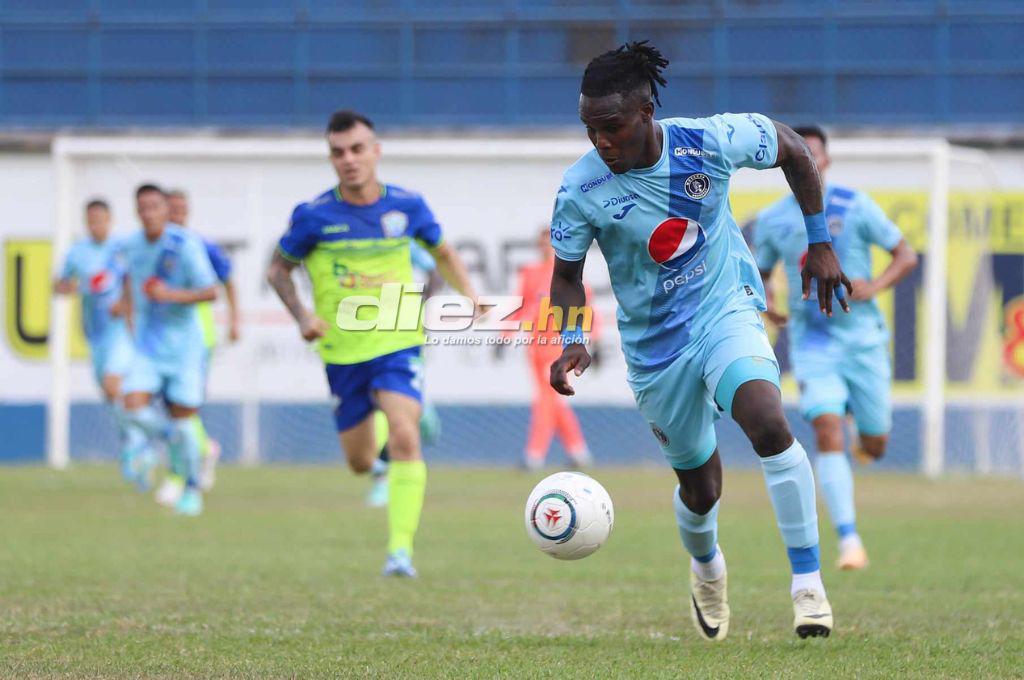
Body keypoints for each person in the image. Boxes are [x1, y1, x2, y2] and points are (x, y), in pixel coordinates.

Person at [548, 42, 852, 640]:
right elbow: (566, 274)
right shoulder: (580, 188)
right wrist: (573, 336)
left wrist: (819, 241)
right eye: (589, 129)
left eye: (611, 127)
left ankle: (808, 583)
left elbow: (791, 147)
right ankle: (707, 566)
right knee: (701, 486)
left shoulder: (708, 142)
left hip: (724, 309)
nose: (600, 142)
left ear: (645, 111)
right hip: (655, 349)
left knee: (768, 421)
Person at [266, 109, 477, 577]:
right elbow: (277, 269)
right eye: (338, 152)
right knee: (361, 462)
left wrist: (472, 296)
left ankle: (399, 551)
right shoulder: (314, 216)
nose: (349, 159)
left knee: (404, 434)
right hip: (343, 353)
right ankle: (398, 421)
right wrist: (303, 316)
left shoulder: (407, 207)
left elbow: (442, 252)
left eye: (358, 149)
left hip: (398, 340)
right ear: (331, 158)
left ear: (375, 151)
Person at [752, 125, 918, 570]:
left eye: (815, 155)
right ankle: (850, 541)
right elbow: (761, 271)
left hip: (863, 341)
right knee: (827, 429)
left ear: (825, 161)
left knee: (875, 442)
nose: (807, 161)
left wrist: (875, 285)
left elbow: (906, 254)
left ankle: (865, 440)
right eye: (798, 154)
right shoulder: (772, 220)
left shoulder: (855, 205)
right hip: (813, 342)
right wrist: (768, 302)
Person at [117, 184, 218, 516]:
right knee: (131, 405)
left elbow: (209, 292)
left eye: (154, 207)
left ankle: (191, 489)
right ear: (137, 211)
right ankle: (164, 438)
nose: (148, 213)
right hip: (148, 345)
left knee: (185, 418)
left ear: (165, 210)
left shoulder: (184, 245)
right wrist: (128, 315)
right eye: (142, 207)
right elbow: (129, 283)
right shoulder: (130, 246)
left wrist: (170, 295)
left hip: (185, 347)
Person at [152, 189, 238, 505]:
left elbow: (227, 280)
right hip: (158, 340)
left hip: (196, 338)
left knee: (183, 407)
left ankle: (178, 475)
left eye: (181, 209)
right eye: (170, 208)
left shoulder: (200, 246)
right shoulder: (151, 247)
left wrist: (235, 321)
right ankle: (202, 451)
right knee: (165, 407)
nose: (176, 214)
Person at [53, 199, 134, 476]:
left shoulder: (121, 249)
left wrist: (124, 304)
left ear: (110, 220)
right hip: (94, 332)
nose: (96, 225)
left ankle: (137, 441)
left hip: (119, 330)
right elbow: (59, 285)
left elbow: (134, 282)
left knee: (113, 386)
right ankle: (130, 439)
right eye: (91, 220)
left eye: (101, 220)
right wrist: (71, 286)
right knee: (108, 394)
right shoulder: (77, 253)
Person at [505, 226, 593, 470]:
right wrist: (507, 330)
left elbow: (585, 303)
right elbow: (521, 304)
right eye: (542, 243)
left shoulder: (564, 272)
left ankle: (534, 454)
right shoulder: (530, 273)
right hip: (535, 346)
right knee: (553, 401)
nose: (545, 248)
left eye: (549, 243)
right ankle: (578, 450)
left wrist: (589, 334)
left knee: (545, 399)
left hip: (556, 344)